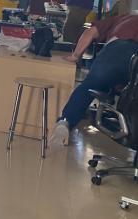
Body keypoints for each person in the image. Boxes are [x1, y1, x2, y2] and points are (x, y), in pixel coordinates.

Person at [49, 14, 138, 146]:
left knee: (90, 86)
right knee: (132, 93)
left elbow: (90, 32)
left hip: (117, 52)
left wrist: (75, 56)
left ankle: (65, 121)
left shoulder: (125, 18)